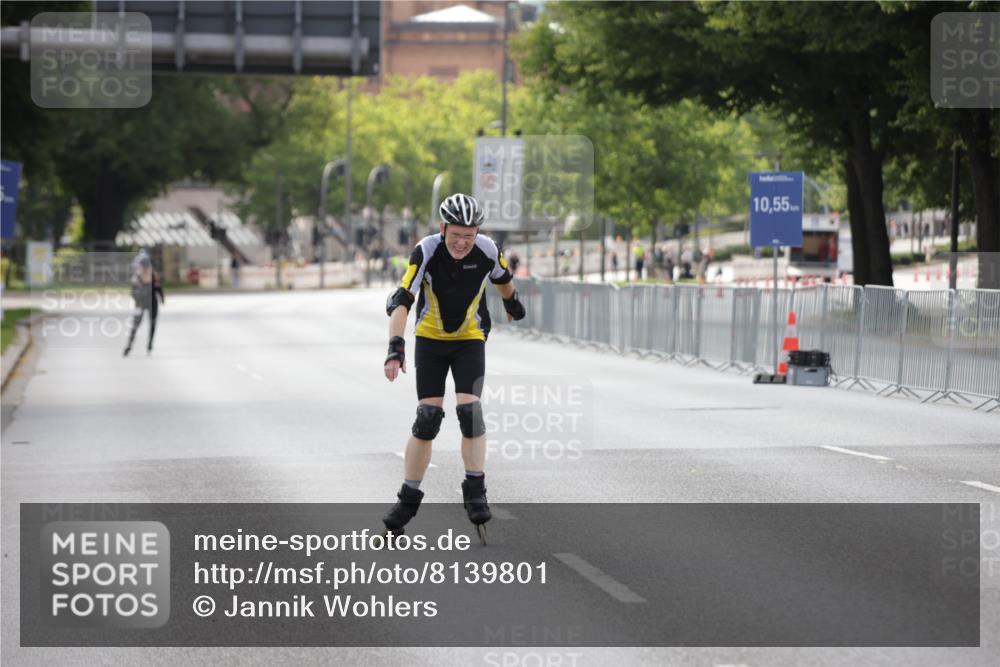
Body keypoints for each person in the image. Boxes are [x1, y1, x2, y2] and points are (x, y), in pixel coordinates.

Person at [382, 193, 525, 543]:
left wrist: (512, 302)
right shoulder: (426, 250)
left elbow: (502, 276)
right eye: (456, 235)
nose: (462, 243)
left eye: (469, 236)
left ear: (477, 232)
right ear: (443, 228)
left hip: (469, 339)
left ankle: (475, 488)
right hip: (430, 341)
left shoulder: (488, 249)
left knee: (470, 411)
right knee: (427, 419)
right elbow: (402, 299)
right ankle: (408, 498)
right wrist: (395, 347)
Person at [124, 250, 164, 356]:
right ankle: (129, 345)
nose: (146, 268)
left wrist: (162, 297)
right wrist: (138, 299)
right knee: (136, 324)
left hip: (152, 303)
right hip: (141, 303)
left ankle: (150, 344)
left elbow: (158, 287)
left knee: (153, 323)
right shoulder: (136, 279)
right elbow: (132, 293)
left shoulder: (153, 276)